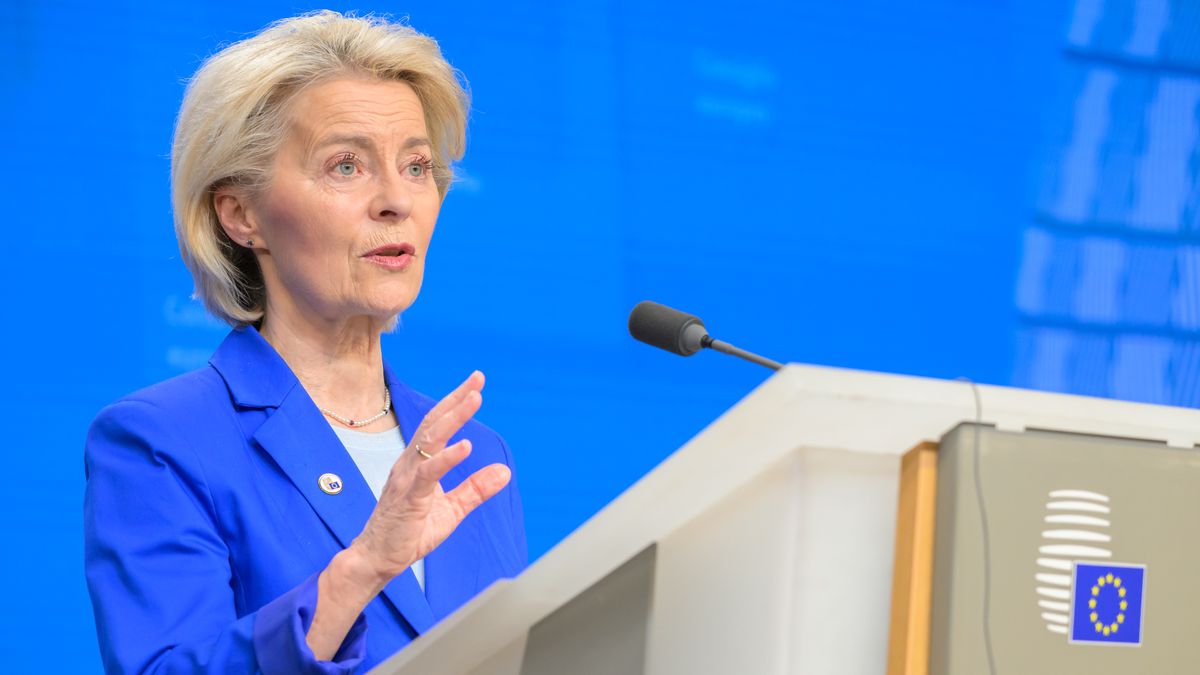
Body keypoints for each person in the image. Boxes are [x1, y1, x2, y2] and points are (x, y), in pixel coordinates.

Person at [83, 11, 527, 674]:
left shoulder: (473, 453)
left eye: (416, 165)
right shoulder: (161, 441)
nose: (396, 200)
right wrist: (358, 572)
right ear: (242, 214)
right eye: (346, 165)